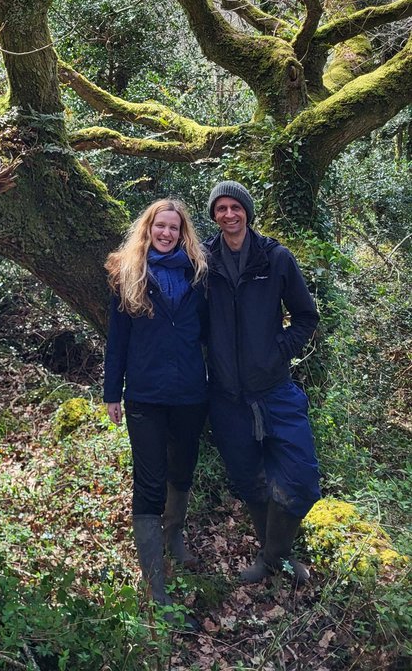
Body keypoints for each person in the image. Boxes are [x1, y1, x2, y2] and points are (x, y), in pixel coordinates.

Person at [204, 180, 321, 583]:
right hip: (226, 395)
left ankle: (274, 556)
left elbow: (306, 316)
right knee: (249, 479)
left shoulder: (275, 258)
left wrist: (277, 350)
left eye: (236, 207)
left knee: (301, 476)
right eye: (221, 208)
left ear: (247, 212)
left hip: (274, 388)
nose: (229, 215)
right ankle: (272, 558)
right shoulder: (203, 260)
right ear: (214, 215)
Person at [103, 198, 208, 606]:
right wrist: (113, 391)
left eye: (174, 228)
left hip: (189, 394)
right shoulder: (128, 274)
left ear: (183, 234)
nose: (166, 233)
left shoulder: (199, 276)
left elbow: (212, 333)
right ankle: (154, 581)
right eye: (159, 226)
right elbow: (118, 341)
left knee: (182, 467)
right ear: (147, 230)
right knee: (149, 480)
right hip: (145, 394)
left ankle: (174, 537)